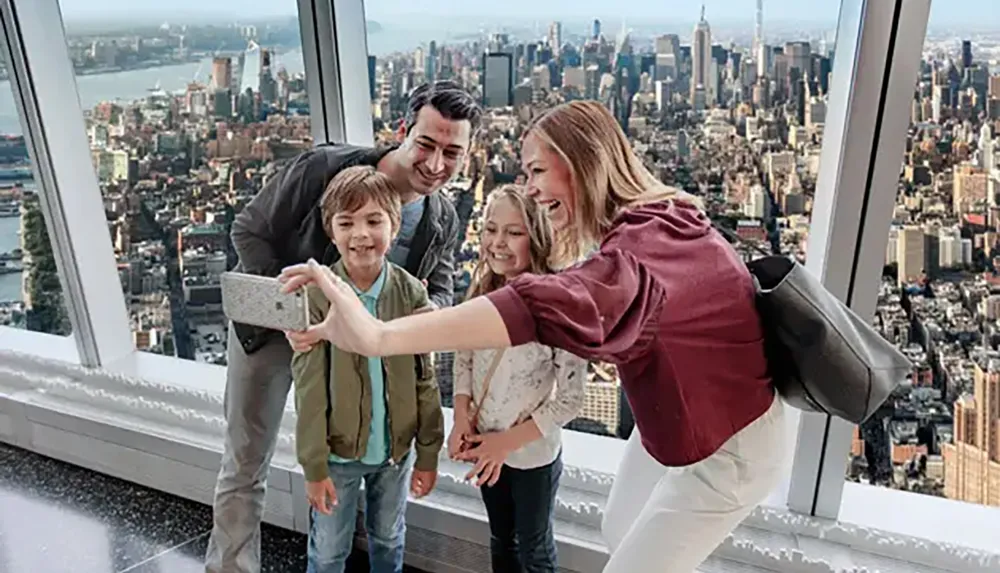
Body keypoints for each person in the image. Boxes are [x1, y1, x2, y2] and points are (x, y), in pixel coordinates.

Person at [280, 100, 788, 573]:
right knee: (619, 529)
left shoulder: (631, 261)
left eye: (538, 171)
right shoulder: (665, 211)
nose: (533, 188)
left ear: (584, 163)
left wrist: (377, 336)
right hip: (681, 420)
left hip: (730, 445)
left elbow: (532, 308)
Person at [205, 80, 480, 573]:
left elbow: (440, 285)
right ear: (402, 131)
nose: (436, 165)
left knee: (344, 464)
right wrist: (297, 309)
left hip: (348, 355)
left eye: (452, 153)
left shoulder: (440, 217)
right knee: (246, 464)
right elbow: (249, 230)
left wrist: (430, 312)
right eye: (426, 144)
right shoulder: (322, 169)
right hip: (272, 334)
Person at [293, 166, 443, 573]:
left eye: (374, 221)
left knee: (390, 538)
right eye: (347, 223)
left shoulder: (411, 292)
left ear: (394, 227)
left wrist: (428, 452)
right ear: (332, 232)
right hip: (337, 454)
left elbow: (424, 378)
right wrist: (313, 465)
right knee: (327, 551)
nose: (361, 234)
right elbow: (308, 387)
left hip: (396, 453)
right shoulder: (318, 296)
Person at [448, 185, 586, 572]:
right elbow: (464, 356)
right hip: (484, 440)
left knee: (534, 548)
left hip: (530, 455)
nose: (498, 243)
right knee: (501, 539)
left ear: (537, 237)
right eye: (491, 229)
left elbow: (571, 399)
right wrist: (461, 414)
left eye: (514, 232)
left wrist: (504, 444)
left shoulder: (559, 307)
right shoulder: (481, 291)